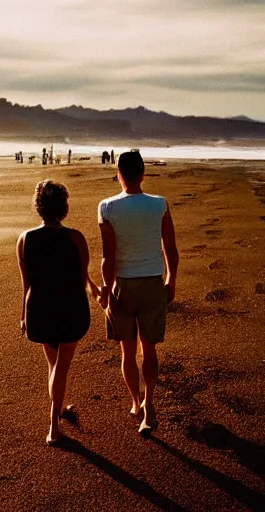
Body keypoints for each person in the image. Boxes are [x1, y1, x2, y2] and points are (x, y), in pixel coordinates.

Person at [97, 151, 179, 437]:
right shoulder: (159, 205)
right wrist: (171, 281)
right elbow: (171, 249)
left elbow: (109, 257)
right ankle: (150, 403)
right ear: (143, 174)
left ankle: (135, 403)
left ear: (118, 174)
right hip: (153, 282)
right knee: (150, 348)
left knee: (128, 350)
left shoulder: (107, 207)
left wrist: (106, 291)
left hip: (123, 285)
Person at [17, 180, 100, 445]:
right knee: (61, 367)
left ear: (39, 207)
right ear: (63, 207)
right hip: (69, 306)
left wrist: (23, 315)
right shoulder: (75, 237)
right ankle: (53, 426)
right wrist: (98, 293)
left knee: (54, 365)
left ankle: (60, 407)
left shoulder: (25, 239)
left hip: (39, 307)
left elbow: (26, 283)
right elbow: (82, 277)